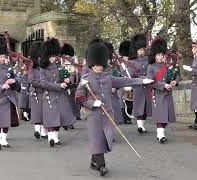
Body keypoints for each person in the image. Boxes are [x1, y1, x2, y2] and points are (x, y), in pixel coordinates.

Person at [75, 39, 153, 176]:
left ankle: (94, 160)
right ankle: (101, 166)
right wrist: (92, 103)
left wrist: (142, 81)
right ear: (93, 64)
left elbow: (125, 80)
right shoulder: (86, 79)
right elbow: (79, 97)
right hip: (94, 115)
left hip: (108, 114)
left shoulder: (108, 78)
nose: (100, 67)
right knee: (97, 139)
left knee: (104, 139)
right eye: (98, 65)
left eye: (101, 64)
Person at [40, 38, 76, 147]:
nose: (54, 58)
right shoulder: (43, 69)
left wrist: (69, 79)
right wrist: (58, 85)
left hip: (60, 96)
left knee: (59, 118)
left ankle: (55, 138)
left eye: (55, 56)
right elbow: (44, 83)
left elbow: (66, 77)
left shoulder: (59, 66)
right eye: (52, 56)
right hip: (49, 96)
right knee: (51, 118)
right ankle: (51, 138)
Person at [147, 38, 179, 144]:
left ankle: (160, 133)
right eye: (158, 55)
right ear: (154, 56)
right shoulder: (150, 67)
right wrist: (163, 85)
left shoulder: (168, 67)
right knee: (160, 116)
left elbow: (175, 76)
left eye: (162, 55)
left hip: (167, 94)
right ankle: (161, 135)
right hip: (158, 94)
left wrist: (174, 81)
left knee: (166, 117)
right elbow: (151, 82)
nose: (160, 57)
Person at [22, 40, 47, 139]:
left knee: (44, 112)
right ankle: (37, 130)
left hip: (45, 91)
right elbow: (30, 80)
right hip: (35, 91)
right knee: (37, 112)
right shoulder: (31, 67)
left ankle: (44, 131)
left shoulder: (44, 67)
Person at [129, 33, 152, 133]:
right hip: (138, 85)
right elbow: (132, 75)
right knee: (138, 105)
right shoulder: (133, 62)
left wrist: (148, 77)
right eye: (139, 50)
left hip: (147, 86)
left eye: (142, 50)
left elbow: (150, 71)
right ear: (137, 51)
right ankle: (139, 126)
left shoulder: (148, 60)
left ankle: (142, 126)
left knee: (145, 105)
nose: (141, 52)